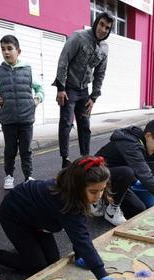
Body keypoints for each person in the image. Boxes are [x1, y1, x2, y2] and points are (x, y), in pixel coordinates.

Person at [0, 156, 126, 280]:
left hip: (38, 220)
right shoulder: (64, 200)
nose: (98, 196)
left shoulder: (73, 194)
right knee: (36, 265)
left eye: (102, 190)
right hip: (15, 215)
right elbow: (81, 238)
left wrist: (80, 254)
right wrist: (102, 276)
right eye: (93, 191)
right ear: (77, 186)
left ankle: (25, 248)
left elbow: (80, 229)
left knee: (52, 264)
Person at [94, 119, 154, 224]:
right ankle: (110, 209)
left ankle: (107, 201)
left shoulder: (140, 143)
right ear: (148, 135)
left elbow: (124, 163)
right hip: (97, 176)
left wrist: (135, 182)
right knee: (127, 172)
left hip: (114, 178)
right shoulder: (131, 144)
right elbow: (146, 176)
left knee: (138, 209)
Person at [0, 35, 45, 190]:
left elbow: (40, 88)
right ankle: (9, 176)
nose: (6, 52)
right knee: (10, 150)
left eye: (9, 48)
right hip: (8, 119)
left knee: (26, 150)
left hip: (26, 118)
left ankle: (28, 176)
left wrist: (36, 99)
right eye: (3, 49)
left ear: (18, 51)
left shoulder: (28, 70)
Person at [54, 13, 112, 168]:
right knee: (66, 123)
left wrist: (93, 97)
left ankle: (85, 157)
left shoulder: (105, 49)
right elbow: (63, 60)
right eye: (101, 24)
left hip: (84, 91)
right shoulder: (78, 37)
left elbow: (100, 73)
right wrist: (60, 88)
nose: (103, 29)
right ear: (96, 23)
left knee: (85, 125)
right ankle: (64, 159)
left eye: (107, 27)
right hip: (69, 89)